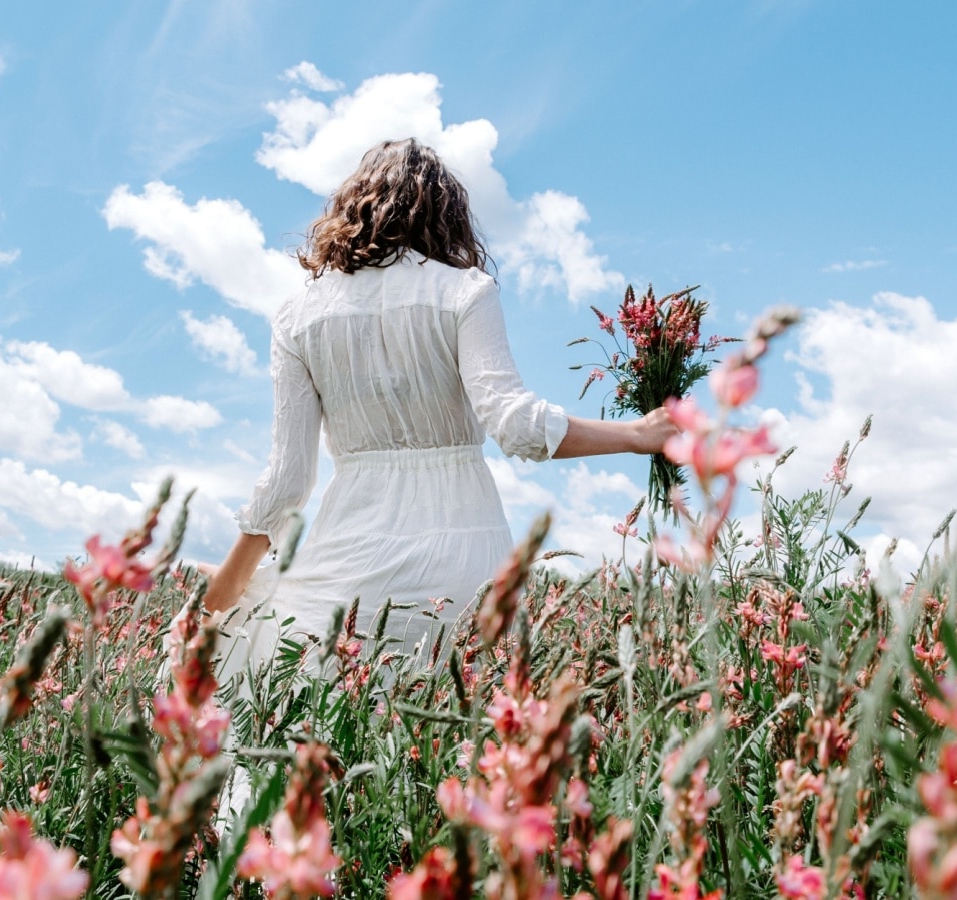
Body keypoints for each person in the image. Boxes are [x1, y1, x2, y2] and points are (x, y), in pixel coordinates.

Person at [200, 138, 674, 679]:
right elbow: (516, 426)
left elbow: (287, 481)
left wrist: (222, 598)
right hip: (463, 557)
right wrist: (639, 434)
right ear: (447, 214)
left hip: (346, 557)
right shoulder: (465, 292)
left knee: (322, 736)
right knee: (453, 748)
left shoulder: (297, 316)